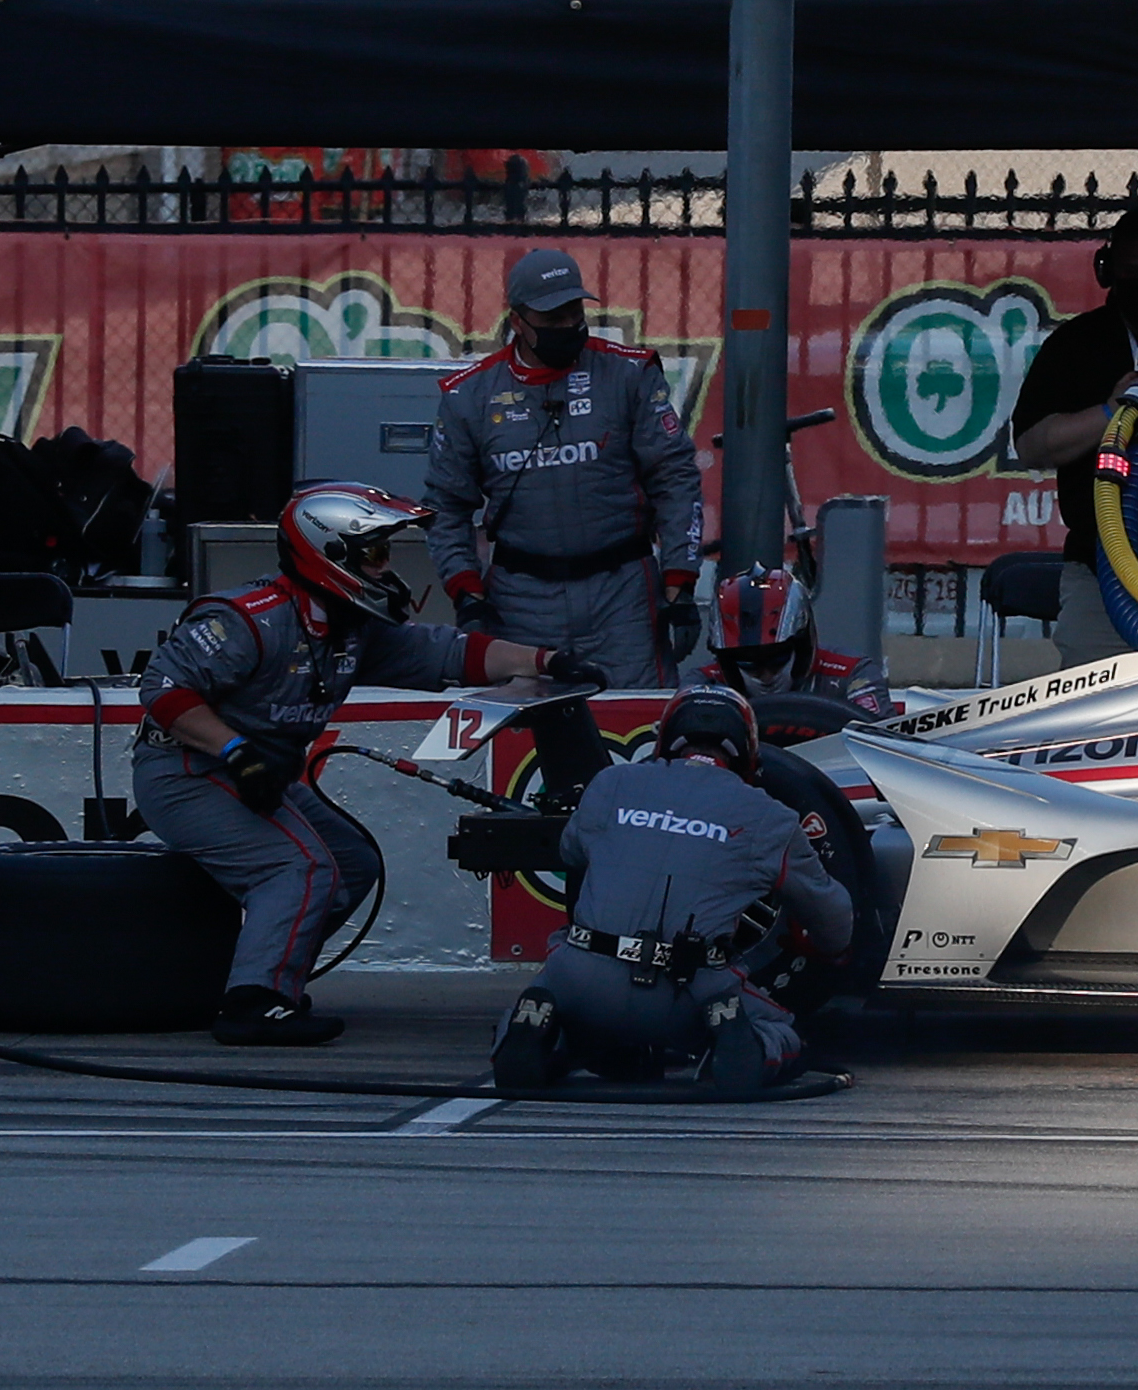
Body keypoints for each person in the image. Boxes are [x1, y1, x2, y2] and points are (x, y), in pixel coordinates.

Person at [133, 484, 596, 1047]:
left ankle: (254, 978)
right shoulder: (248, 619)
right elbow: (164, 691)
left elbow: (454, 653)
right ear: (332, 555)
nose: (386, 567)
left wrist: (544, 659)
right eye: (375, 553)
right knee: (301, 868)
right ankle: (255, 1003)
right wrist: (236, 751)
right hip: (186, 770)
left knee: (351, 863)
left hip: (254, 772)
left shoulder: (354, 629)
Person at [487, 686, 852, 1096]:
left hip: (581, 974)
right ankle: (737, 1039)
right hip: (688, 990)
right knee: (782, 1031)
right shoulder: (771, 817)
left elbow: (571, 852)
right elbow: (836, 920)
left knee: (560, 999)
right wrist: (820, 946)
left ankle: (535, 1028)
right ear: (748, 751)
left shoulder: (611, 782)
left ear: (665, 738)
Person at [424, 246, 707, 686]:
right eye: (553, 318)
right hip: (520, 602)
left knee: (640, 728)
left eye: (574, 312)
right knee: (525, 740)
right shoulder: (469, 396)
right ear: (518, 322)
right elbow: (446, 505)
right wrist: (468, 595)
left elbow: (675, 476)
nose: (569, 326)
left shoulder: (628, 374)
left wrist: (681, 582)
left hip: (624, 597)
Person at [1008, 206, 1138, 661]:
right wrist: (1111, 412)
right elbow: (1032, 445)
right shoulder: (1078, 344)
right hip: (1101, 570)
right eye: (1131, 273)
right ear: (1107, 271)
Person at [685, 566, 894, 727]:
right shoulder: (704, 682)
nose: (766, 676)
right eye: (748, 664)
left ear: (801, 645)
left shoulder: (852, 674)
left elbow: (881, 746)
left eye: (777, 660)